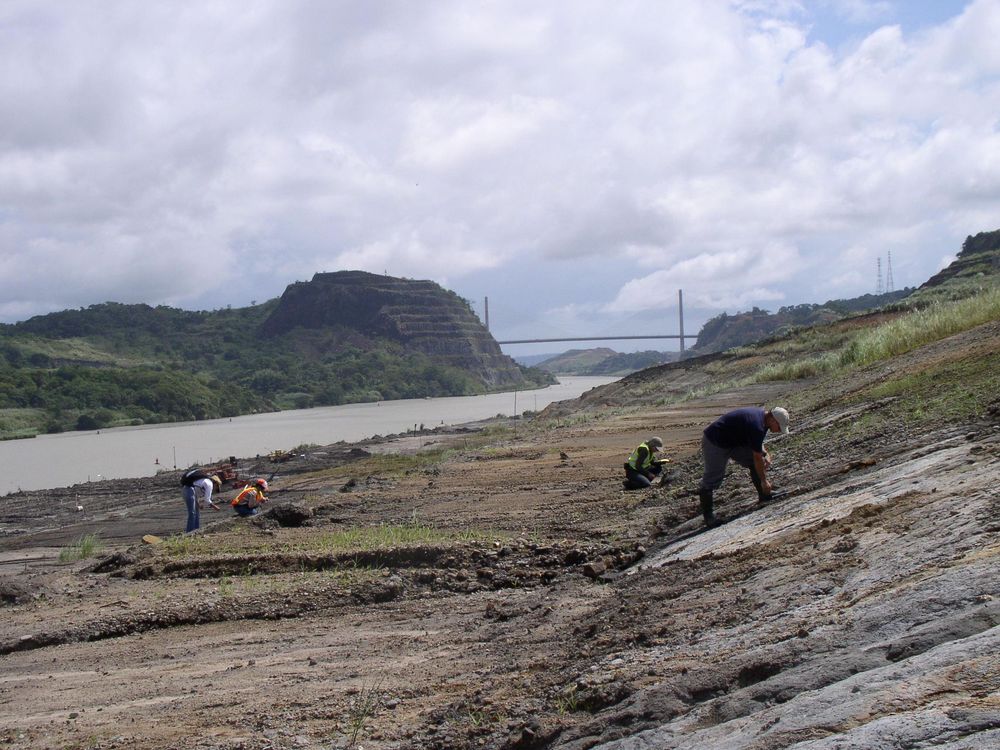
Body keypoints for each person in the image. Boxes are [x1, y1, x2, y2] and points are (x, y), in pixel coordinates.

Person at [697, 406, 789, 527]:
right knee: (712, 478)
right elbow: (757, 455)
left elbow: (756, 442)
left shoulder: (763, 420)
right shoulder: (756, 423)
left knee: (752, 461)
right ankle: (708, 517)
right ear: (772, 419)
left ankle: (764, 495)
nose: (778, 430)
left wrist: (765, 454)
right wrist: (764, 480)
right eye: (779, 427)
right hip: (715, 442)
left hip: (734, 442)